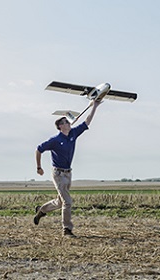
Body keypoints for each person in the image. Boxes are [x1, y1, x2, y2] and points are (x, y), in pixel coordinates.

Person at [34, 100, 102, 236]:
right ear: (60, 126)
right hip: (58, 174)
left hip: (68, 173)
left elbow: (87, 121)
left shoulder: (73, 134)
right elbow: (38, 149)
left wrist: (94, 106)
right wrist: (39, 167)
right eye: (65, 122)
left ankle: (42, 210)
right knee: (67, 202)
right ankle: (67, 229)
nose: (68, 122)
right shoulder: (54, 140)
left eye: (68, 121)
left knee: (60, 202)